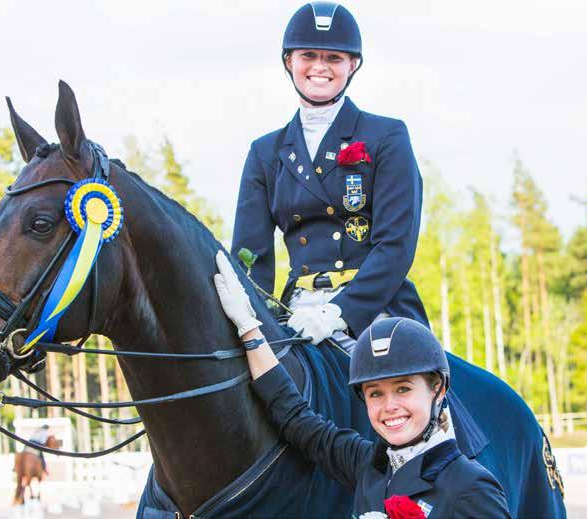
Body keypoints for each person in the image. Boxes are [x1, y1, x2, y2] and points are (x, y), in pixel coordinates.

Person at [213, 252, 510, 518]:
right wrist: (248, 327)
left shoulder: (471, 487)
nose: (389, 406)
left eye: (403, 389)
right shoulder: (367, 465)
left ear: (438, 389)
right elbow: (294, 416)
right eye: (375, 393)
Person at [232, 2, 429, 349]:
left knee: (396, 394)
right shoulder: (264, 153)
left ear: (352, 65)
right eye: (308, 55)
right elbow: (252, 258)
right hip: (294, 312)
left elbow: (395, 246)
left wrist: (337, 313)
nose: (320, 67)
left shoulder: (387, 136)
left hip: (373, 310)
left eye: (334, 58)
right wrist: (254, 320)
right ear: (289, 61)